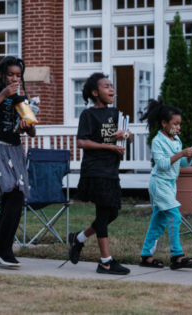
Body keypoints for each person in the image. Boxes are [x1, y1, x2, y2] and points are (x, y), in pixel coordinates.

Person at [68, 73, 133, 275]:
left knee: (112, 212)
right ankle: (105, 261)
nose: (111, 89)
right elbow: (82, 142)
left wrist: (127, 135)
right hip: (95, 170)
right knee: (103, 213)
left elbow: (127, 139)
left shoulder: (115, 113)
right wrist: (108, 147)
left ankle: (78, 239)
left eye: (112, 85)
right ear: (95, 92)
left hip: (111, 170)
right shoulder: (88, 115)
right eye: (106, 86)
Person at [0, 56, 36, 267]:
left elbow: (32, 132)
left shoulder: (21, 99)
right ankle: (5, 251)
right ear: (1, 74)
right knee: (14, 196)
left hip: (15, 149)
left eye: (18, 75)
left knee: (14, 198)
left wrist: (26, 124)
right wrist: (2, 94)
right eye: (10, 74)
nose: (14, 78)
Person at [138, 98, 192, 270]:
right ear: (164, 123)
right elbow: (162, 164)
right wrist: (181, 153)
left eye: (179, 124)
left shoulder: (177, 141)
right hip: (159, 184)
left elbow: (184, 164)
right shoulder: (157, 141)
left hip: (169, 185)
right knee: (175, 215)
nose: (178, 127)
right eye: (175, 124)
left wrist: (190, 153)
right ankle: (177, 255)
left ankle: (145, 255)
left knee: (158, 222)